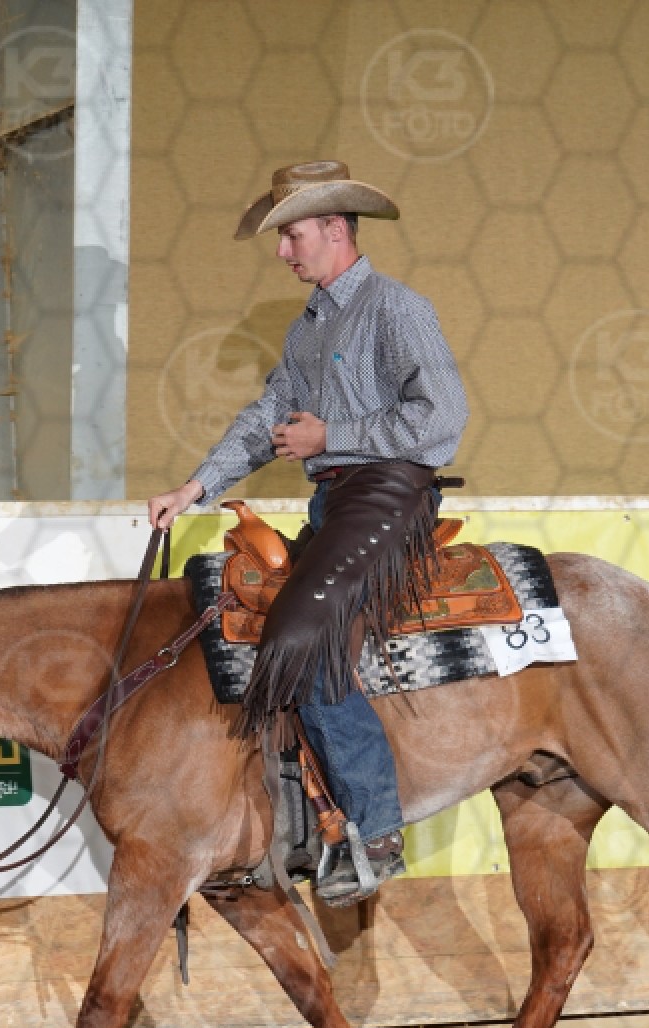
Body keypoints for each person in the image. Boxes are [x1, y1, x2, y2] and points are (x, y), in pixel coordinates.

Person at [148, 160, 469, 905]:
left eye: (292, 235)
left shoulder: (397, 309)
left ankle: (376, 829)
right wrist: (194, 488)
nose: (282, 252)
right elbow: (267, 419)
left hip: (388, 494)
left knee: (302, 634)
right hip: (335, 503)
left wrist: (333, 436)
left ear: (333, 228)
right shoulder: (307, 330)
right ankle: (299, 813)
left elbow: (443, 416)